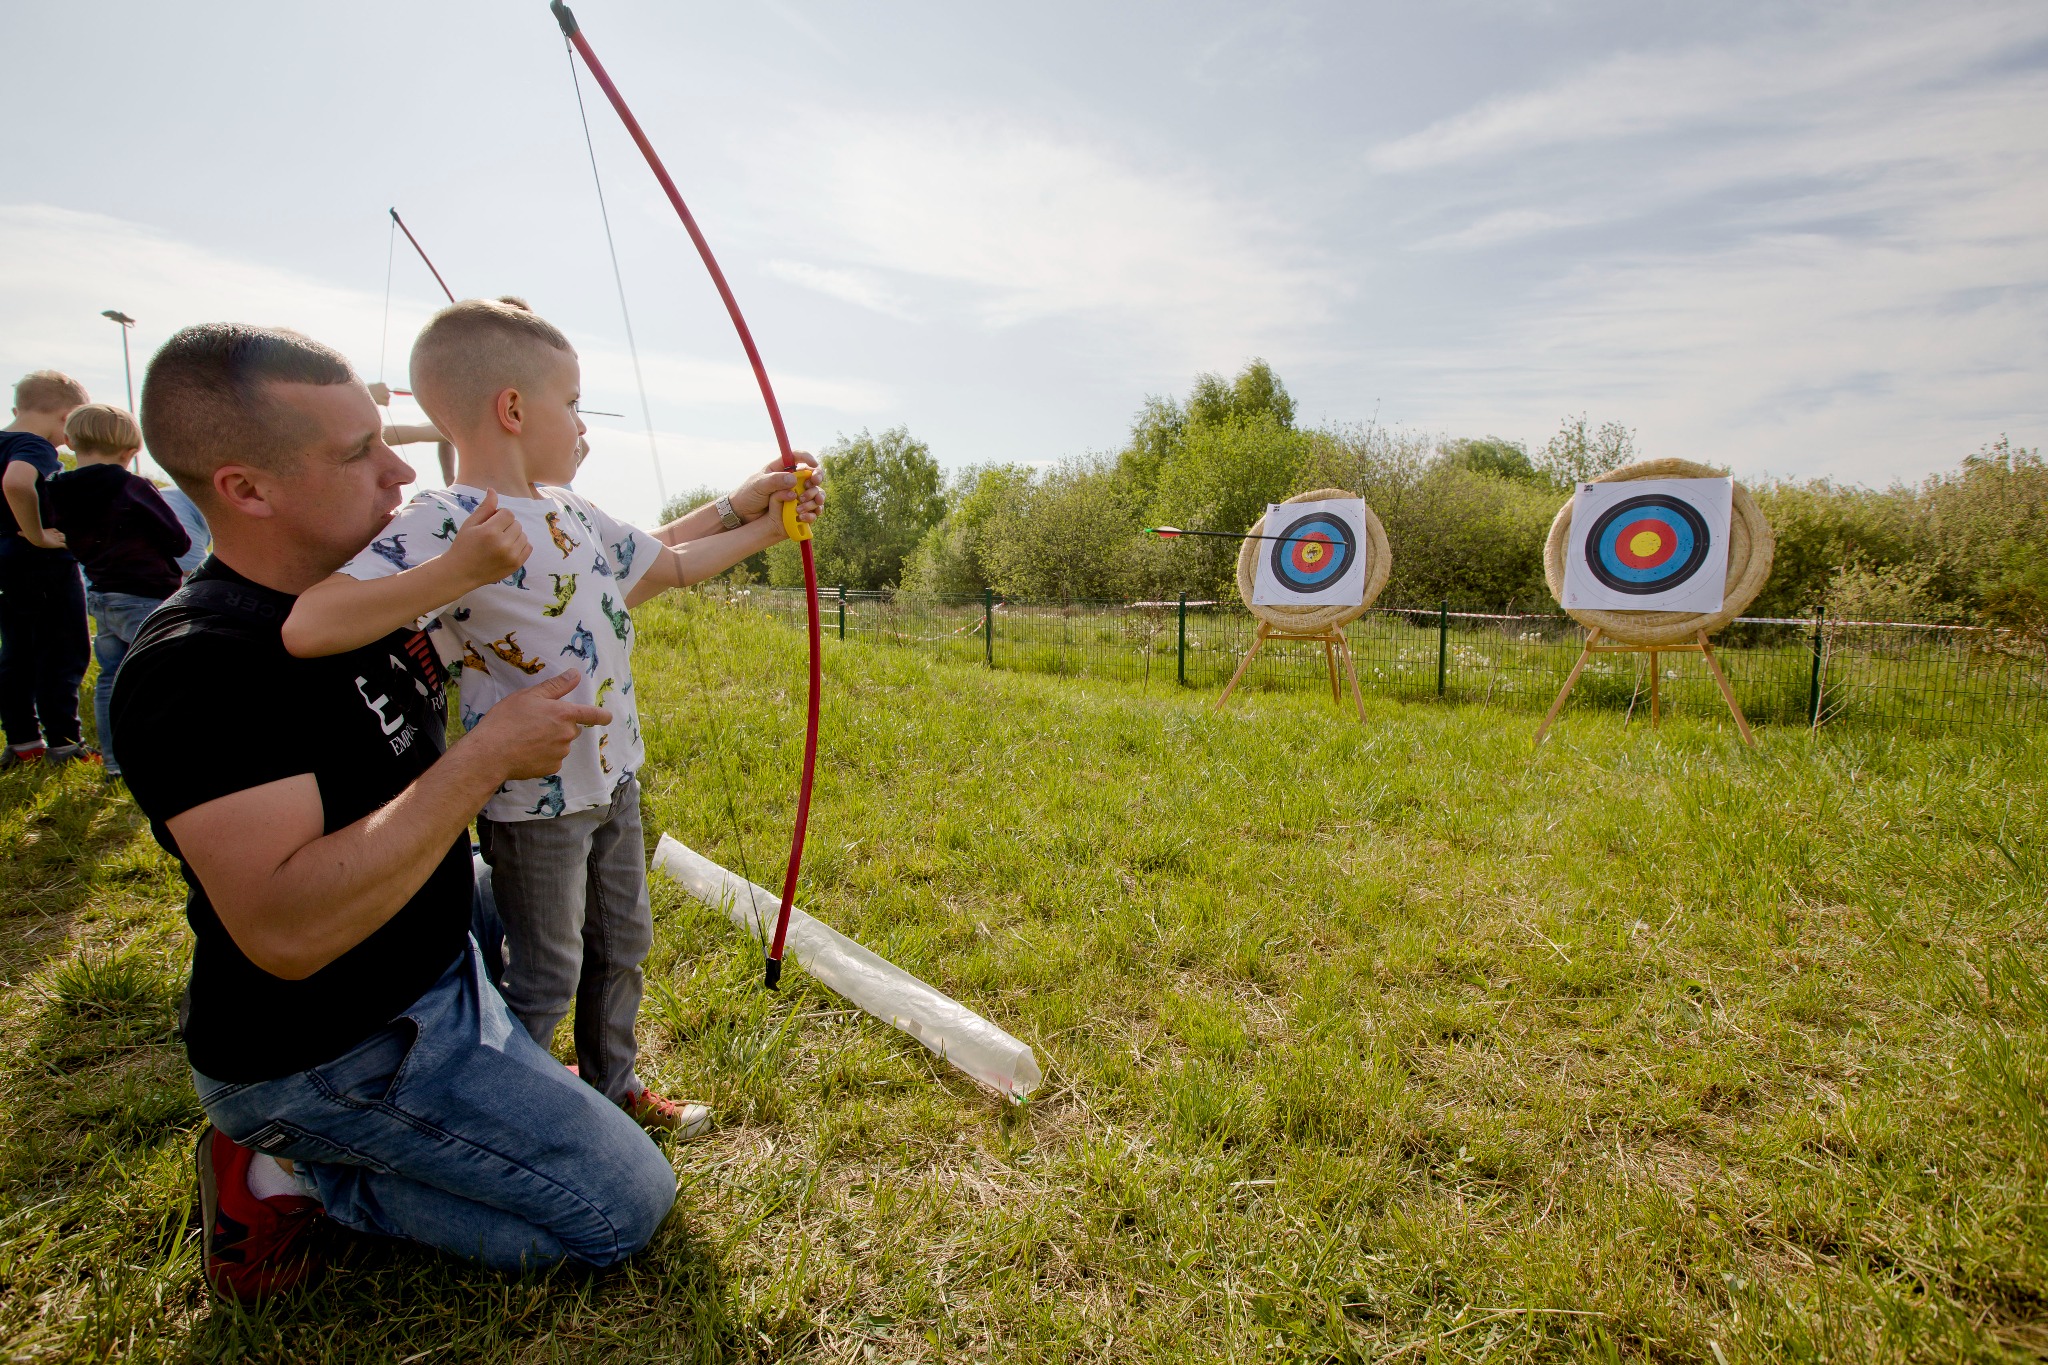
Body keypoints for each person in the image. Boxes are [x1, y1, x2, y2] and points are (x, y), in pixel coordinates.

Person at [112, 323, 677, 1299]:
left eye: (392, 440)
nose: (397, 474)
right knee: (621, 1207)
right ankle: (289, 1170)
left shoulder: (381, 590)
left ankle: (512, 1062)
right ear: (246, 489)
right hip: (337, 1041)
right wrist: (484, 760)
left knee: (573, 906)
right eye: (358, 453)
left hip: (431, 939)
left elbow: (571, 572)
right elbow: (289, 930)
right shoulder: (200, 668)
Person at [282, 298, 821, 1131]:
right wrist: (455, 570)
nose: (582, 426)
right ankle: (514, 1117)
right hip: (535, 799)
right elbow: (309, 623)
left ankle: (611, 1091)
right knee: (547, 969)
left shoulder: (571, 510)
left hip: (614, 775)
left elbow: (668, 562)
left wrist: (764, 521)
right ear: (512, 409)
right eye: (572, 403)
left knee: (623, 941)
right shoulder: (447, 521)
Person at [40, 404, 190, 779]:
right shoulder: (131, 485)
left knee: (110, 678)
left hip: (102, 594)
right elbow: (178, 540)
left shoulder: (57, 489)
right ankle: (169, 760)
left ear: (71, 442)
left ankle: (115, 763)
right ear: (130, 451)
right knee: (162, 679)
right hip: (146, 595)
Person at [0, 370, 93, 768]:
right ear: (67, 416)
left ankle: (23, 743)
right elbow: (18, 483)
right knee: (64, 652)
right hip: (42, 567)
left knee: (17, 653)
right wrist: (36, 534)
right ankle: (64, 743)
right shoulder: (33, 446)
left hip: (6, 566)